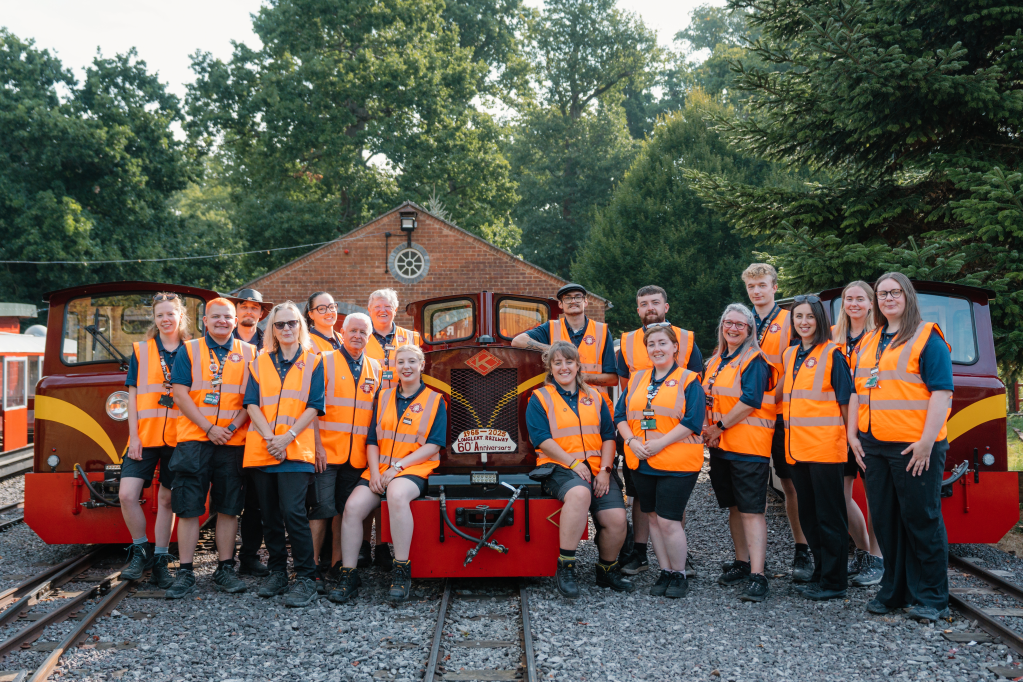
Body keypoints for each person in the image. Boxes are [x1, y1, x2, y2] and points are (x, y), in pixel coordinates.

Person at [848, 273, 954, 622]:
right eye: (882, 294)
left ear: (907, 296)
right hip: (875, 446)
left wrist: (926, 442)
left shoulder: (927, 337)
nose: (888, 298)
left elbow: (942, 392)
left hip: (914, 448)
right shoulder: (870, 340)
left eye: (895, 292)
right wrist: (854, 436)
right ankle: (893, 590)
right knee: (886, 520)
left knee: (921, 519)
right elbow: (858, 392)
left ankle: (933, 597)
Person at [332, 345, 447, 603]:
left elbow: (434, 444)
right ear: (395, 367)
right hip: (380, 469)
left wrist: (398, 468)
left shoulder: (435, 400)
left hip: (415, 469)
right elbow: (372, 440)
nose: (406, 367)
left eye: (411, 362)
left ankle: (401, 569)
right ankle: (348, 573)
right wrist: (374, 473)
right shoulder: (383, 397)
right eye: (401, 362)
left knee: (396, 495)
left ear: (421, 365)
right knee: (352, 508)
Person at [528, 341, 634, 598]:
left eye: (569, 362)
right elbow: (541, 439)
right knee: (579, 494)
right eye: (557, 363)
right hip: (558, 467)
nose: (564, 367)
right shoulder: (540, 397)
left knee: (616, 520)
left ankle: (606, 570)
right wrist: (574, 464)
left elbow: (609, 436)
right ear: (550, 369)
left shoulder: (596, 397)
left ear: (578, 366)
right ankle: (566, 566)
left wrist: (606, 471)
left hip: (598, 468)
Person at [167, 298, 256, 599]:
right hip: (194, 440)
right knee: (189, 506)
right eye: (215, 317)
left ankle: (225, 568)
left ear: (235, 321)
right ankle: (186, 571)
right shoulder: (189, 350)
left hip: (232, 442)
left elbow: (251, 401)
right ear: (205, 320)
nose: (222, 321)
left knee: (230, 507)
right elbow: (180, 394)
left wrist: (229, 429)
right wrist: (209, 428)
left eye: (227, 317)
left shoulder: (249, 353)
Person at [616, 285, 704, 578]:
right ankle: (657, 564)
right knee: (650, 513)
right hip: (641, 453)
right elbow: (622, 409)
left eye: (656, 302)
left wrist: (660, 443)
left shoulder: (688, 368)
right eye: (644, 303)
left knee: (669, 517)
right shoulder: (635, 365)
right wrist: (631, 440)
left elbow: (692, 417)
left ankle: (678, 566)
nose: (656, 349)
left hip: (674, 455)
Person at [243, 301, 325, 607]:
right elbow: (251, 403)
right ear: (273, 331)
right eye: (280, 325)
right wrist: (270, 438)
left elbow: (315, 406)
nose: (287, 329)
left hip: (295, 450)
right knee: (270, 516)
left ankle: (305, 577)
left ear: (300, 326)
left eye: (292, 323)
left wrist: (287, 438)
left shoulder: (314, 361)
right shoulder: (259, 362)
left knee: (294, 513)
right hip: (264, 450)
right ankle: (278, 572)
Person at [703, 303, 779, 602]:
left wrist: (718, 427)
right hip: (724, 449)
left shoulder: (754, 360)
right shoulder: (717, 361)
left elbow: (750, 400)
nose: (733, 328)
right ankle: (742, 562)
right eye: (728, 323)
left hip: (749, 448)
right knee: (735, 507)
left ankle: (759, 576)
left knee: (751, 511)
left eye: (740, 324)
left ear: (750, 330)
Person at [741, 263, 812, 581]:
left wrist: (769, 397)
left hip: (783, 413)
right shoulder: (741, 320)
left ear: (775, 288)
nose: (756, 291)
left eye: (762, 285)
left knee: (790, 485)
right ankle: (752, 561)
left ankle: (803, 549)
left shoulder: (790, 320)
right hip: (749, 418)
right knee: (750, 488)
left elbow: (798, 365)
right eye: (751, 287)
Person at [782, 295, 853, 600]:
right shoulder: (790, 354)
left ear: (820, 320)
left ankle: (835, 582)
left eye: (810, 316)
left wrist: (852, 442)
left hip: (825, 449)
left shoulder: (833, 354)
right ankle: (821, 572)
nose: (804, 322)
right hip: (796, 449)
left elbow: (847, 402)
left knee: (830, 516)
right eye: (798, 317)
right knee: (809, 515)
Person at [307, 313, 381, 602]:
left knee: (343, 512)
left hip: (357, 457)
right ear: (342, 331)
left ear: (369, 336)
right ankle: (311, 567)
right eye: (352, 330)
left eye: (363, 332)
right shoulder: (323, 361)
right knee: (320, 510)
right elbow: (312, 407)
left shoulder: (375, 367)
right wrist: (316, 447)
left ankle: (338, 565)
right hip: (327, 452)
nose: (357, 336)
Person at [119, 293, 190, 588]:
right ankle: (140, 549)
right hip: (144, 437)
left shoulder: (193, 350)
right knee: (126, 494)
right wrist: (133, 436)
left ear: (180, 316)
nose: (165, 319)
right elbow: (133, 397)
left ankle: (161, 559)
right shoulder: (142, 350)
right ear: (155, 319)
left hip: (179, 438)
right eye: (160, 315)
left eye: (170, 314)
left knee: (166, 499)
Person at [363, 288, 422, 568]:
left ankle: (384, 544)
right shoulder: (360, 336)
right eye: (377, 307)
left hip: (402, 414)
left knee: (388, 479)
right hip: (365, 412)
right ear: (369, 309)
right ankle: (365, 545)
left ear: (395, 309)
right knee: (367, 480)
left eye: (387, 306)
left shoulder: (412, 338)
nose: (382, 310)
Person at [832, 281, 884, 587]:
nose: (854, 303)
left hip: (869, 425)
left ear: (870, 303)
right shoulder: (834, 339)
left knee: (875, 495)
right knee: (842, 494)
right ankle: (863, 551)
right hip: (839, 429)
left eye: (860, 299)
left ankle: (877, 557)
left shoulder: (879, 338)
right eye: (849, 298)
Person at [511, 283, 618, 409]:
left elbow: (613, 379)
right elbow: (518, 341)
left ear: (586, 302)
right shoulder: (550, 327)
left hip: (596, 406)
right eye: (567, 298)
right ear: (560, 304)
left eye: (577, 297)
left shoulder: (602, 331)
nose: (573, 301)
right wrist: (553, 350)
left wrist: (580, 377)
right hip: (560, 407)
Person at [227, 288, 273, 578]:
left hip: (258, 434)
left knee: (257, 503)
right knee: (229, 501)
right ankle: (224, 560)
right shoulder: (221, 341)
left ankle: (250, 556)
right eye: (243, 307)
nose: (249, 312)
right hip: (227, 435)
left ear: (261, 314)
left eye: (254, 308)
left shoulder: (270, 344)